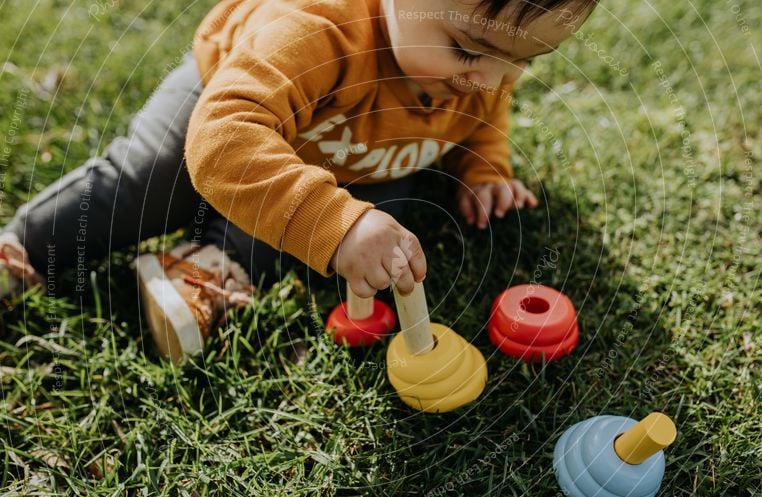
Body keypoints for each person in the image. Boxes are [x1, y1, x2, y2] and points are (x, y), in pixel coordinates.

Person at [0, 0, 596, 361]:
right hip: (235, 106)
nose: (492, 79)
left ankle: (207, 264)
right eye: (467, 49)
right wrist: (337, 225)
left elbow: (482, 117)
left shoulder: (483, 67)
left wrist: (483, 168)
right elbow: (225, 140)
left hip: (346, 149)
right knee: (154, 177)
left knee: (382, 194)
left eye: (522, 61)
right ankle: (25, 249)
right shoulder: (314, 27)